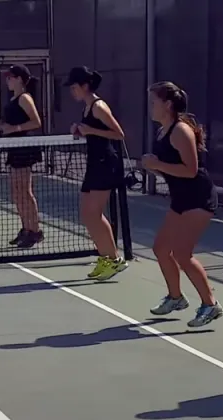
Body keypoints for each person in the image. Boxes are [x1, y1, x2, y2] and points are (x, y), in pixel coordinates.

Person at [141, 81, 223, 328]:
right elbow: (170, 169)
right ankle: (176, 298)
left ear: (167, 104)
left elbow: (190, 170)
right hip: (181, 198)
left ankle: (210, 305)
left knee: (182, 254)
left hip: (199, 197)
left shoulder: (180, 131)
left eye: (154, 102)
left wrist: (157, 165)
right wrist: (150, 166)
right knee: (160, 248)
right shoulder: (162, 131)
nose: (151, 107)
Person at [65, 65, 128, 281]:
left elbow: (118, 134)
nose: (72, 91)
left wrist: (90, 130)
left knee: (95, 213)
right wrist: (81, 131)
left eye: (74, 87)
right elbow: (94, 134)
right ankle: (105, 257)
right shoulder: (86, 108)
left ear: (85, 86)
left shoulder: (99, 106)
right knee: (87, 214)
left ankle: (113, 258)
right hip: (94, 163)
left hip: (105, 163)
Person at [1, 64, 44, 248]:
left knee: (25, 191)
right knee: (16, 191)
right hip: (14, 147)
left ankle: (35, 231)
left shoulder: (25, 98)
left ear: (19, 79)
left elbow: (36, 122)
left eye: (10, 77)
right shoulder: (13, 98)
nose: (7, 80)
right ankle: (26, 228)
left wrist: (14, 128)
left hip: (24, 147)